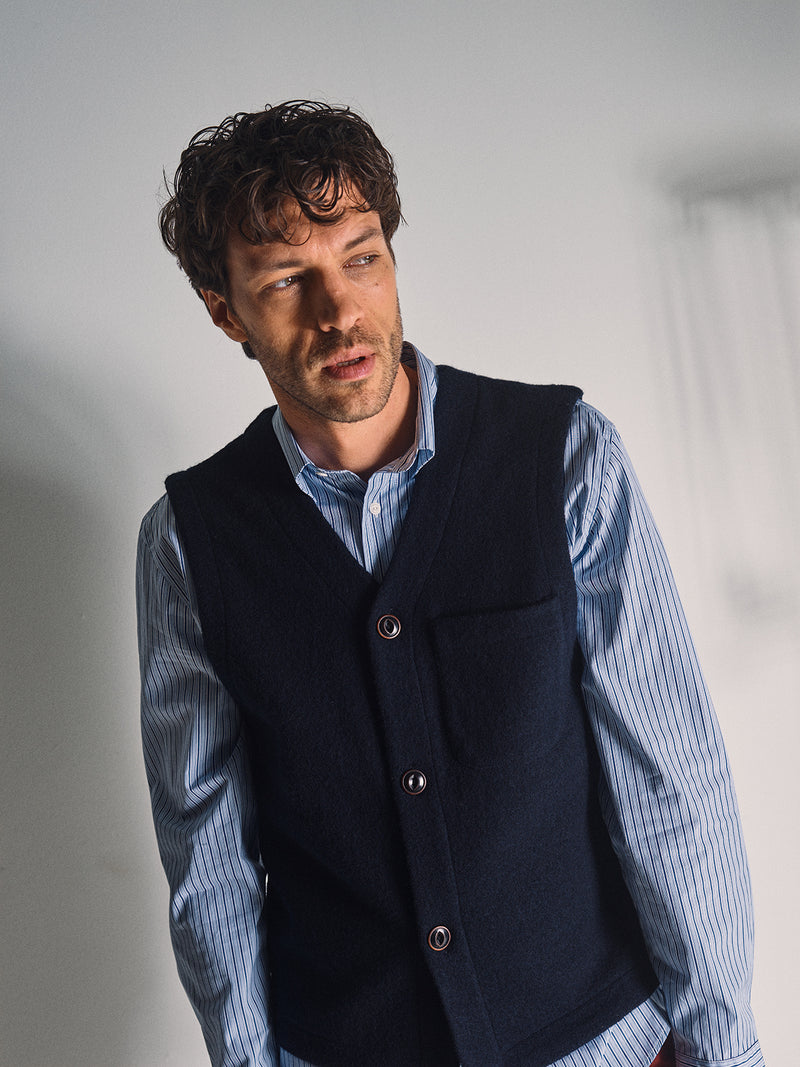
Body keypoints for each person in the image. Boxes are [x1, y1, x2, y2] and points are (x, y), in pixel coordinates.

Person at [136, 101, 763, 1067]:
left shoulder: (562, 457)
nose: (339, 310)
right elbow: (205, 853)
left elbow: (671, 783)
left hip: (598, 1044)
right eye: (287, 279)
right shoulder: (190, 541)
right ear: (228, 312)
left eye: (361, 256)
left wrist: (726, 1049)